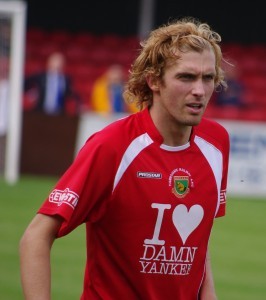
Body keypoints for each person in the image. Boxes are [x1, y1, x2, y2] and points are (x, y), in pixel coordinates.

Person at [19, 17, 230, 300]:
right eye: (186, 77)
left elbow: (196, 247)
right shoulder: (112, 146)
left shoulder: (217, 144)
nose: (200, 91)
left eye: (208, 78)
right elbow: (35, 238)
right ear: (154, 80)